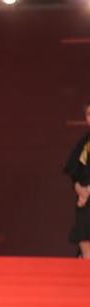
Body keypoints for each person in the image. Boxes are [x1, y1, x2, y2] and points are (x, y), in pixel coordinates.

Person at [65, 101, 90, 258]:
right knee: (84, 238)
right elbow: (74, 170)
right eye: (89, 114)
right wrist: (79, 189)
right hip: (84, 202)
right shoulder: (84, 143)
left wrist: (88, 191)